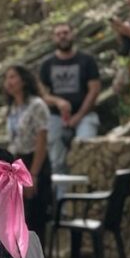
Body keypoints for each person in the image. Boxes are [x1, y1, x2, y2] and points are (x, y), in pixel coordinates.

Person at [38, 23, 101, 178]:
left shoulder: (87, 60)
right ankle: (61, 199)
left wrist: (78, 116)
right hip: (55, 116)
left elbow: (94, 90)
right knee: (57, 160)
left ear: (72, 34)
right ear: (53, 38)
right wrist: (58, 102)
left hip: (85, 115)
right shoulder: (47, 64)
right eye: (58, 34)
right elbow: (42, 94)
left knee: (85, 150)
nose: (62, 36)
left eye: (65, 32)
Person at [3, 65, 52, 251]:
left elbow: (41, 141)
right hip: (17, 162)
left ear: (23, 80)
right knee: (17, 216)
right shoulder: (13, 108)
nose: (9, 82)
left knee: (35, 216)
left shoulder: (36, 105)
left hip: (34, 161)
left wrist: (33, 174)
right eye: (6, 78)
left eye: (13, 77)